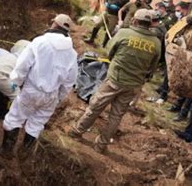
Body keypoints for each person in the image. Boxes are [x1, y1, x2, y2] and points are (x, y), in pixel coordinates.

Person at [68, 9, 161, 153]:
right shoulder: (155, 42)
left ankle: (77, 131)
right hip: (133, 85)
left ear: (135, 20)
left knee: (95, 107)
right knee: (116, 116)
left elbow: (109, 52)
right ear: (149, 24)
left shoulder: (124, 33)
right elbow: (152, 68)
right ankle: (101, 145)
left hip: (114, 80)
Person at [0, 14, 78, 159]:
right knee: (37, 124)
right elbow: (69, 81)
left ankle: (6, 150)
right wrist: (59, 98)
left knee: (15, 117)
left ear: (55, 25)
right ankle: (24, 156)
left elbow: (23, 64)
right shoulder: (72, 53)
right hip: (51, 95)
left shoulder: (40, 42)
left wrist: (16, 81)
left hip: (32, 90)